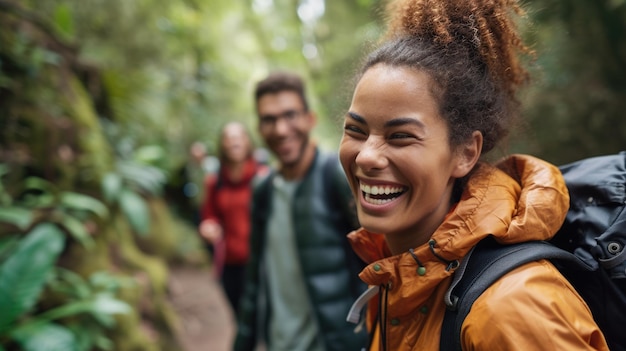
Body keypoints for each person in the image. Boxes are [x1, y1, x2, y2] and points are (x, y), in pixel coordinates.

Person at [338, 0, 610, 350]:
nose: (367, 155)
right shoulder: (396, 279)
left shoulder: (510, 308)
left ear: (465, 153)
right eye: (356, 130)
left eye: (400, 136)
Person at [233, 71, 368, 351]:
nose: (281, 129)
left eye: (290, 115)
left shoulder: (337, 178)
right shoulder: (263, 191)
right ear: (259, 129)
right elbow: (255, 280)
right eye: (269, 120)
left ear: (310, 119)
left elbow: (378, 262)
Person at [199, 121, 267, 313]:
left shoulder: (262, 176)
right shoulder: (215, 181)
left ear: (247, 142)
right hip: (229, 263)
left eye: (237, 137)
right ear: (222, 145)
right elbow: (209, 215)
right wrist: (208, 227)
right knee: (239, 313)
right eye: (228, 138)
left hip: (260, 262)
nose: (233, 142)